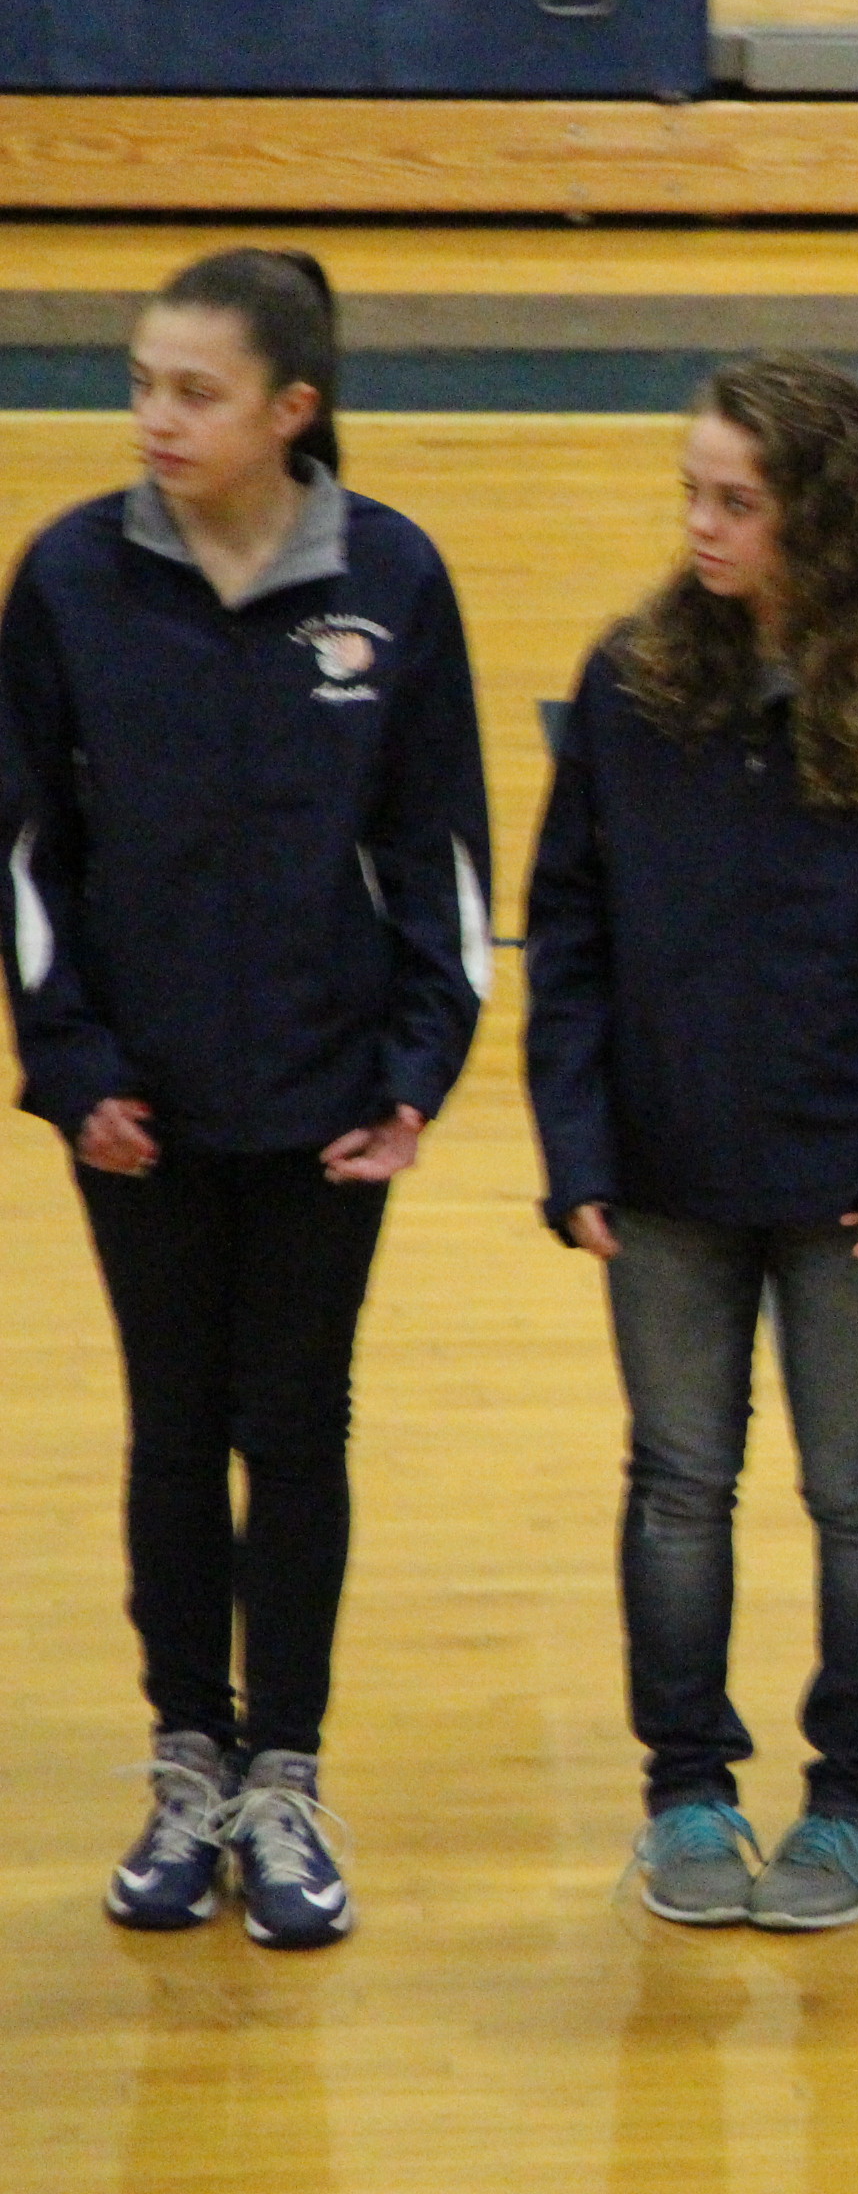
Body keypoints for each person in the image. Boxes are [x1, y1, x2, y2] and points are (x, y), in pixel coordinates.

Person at [0, 248, 491, 1949]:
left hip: (322, 1106)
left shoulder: (392, 580)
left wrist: (416, 1075)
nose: (155, 417)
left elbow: (440, 855)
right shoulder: (69, 578)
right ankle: (184, 1764)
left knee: (294, 1430)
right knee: (169, 1427)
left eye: (195, 392)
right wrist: (72, 1067)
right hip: (133, 1111)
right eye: (142, 382)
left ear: (294, 408)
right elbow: (24, 855)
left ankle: (283, 1770)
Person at [525, 353, 858, 1931]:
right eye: (693, 494)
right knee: (678, 1482)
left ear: (823, 512)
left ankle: (857, 1807)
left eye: (737, 501)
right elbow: (568, 933)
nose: (702, 526)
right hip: (663, 1172)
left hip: (853, 1181)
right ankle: (686, 1792)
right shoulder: (630, 682)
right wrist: (577, 1147)